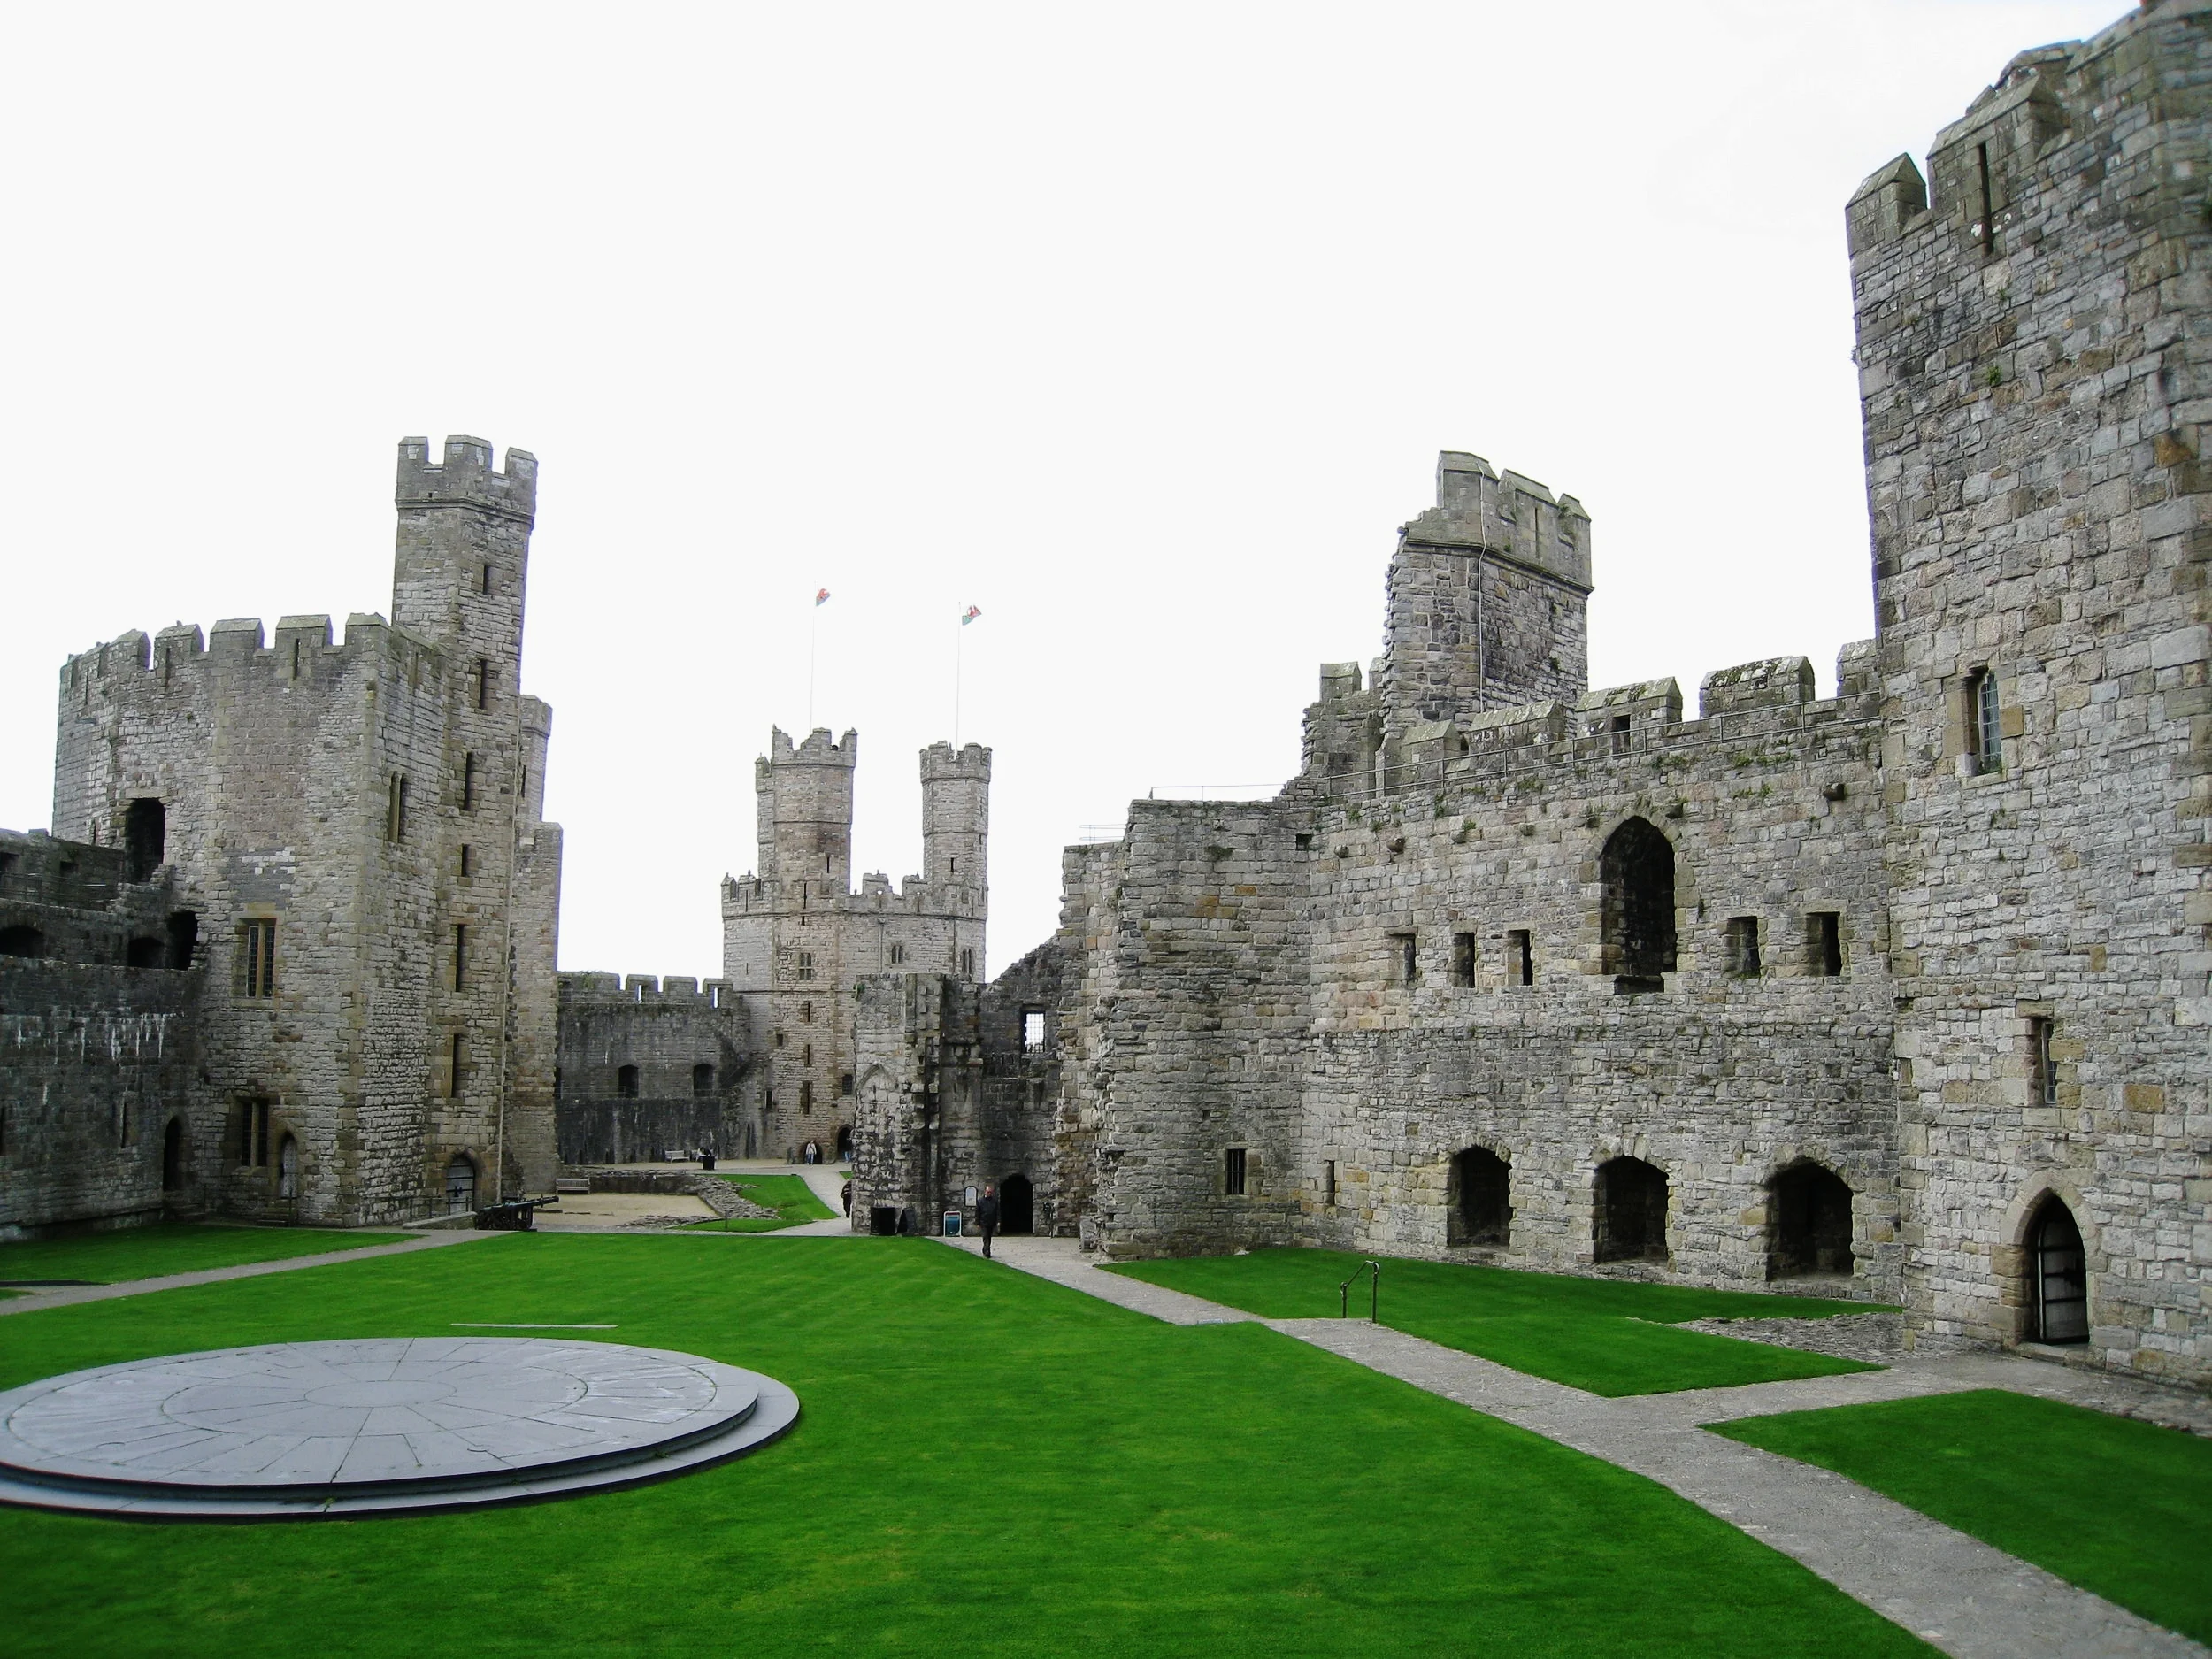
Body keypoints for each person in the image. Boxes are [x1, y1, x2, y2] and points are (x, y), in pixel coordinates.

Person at [976, 1181, 1001, 1260]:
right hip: (983, 1221)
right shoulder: (980, 1201)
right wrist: (977, 1222)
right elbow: (978, 1212)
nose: (989, 1193)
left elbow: (997, 1212)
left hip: (991, 1221)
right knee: (985, 1236)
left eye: (990, 1192)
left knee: (989, 1237)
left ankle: (985, 1249)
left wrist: (998, 1221)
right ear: (985, 1192)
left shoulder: (995, 1201)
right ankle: (987, 1252)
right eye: (988, 1192)